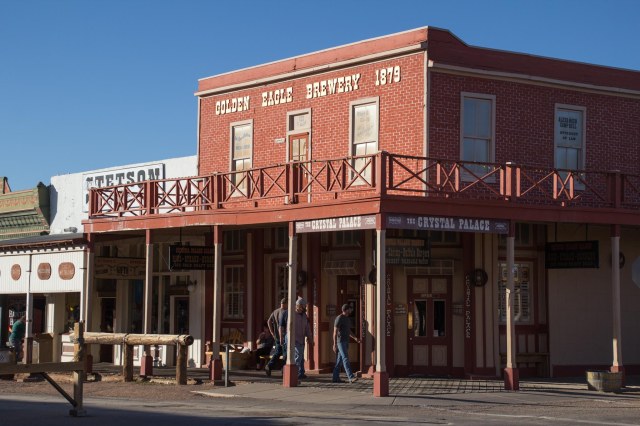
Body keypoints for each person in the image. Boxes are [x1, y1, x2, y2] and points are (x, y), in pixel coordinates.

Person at [279, 297, 312, 380]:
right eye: (303, 306)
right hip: (292, 339)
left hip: (301, 339)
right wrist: (281, 338)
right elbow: (281, 326)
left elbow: (307, 327)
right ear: (298, 306)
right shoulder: (289, 314)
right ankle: (294, 376)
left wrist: (310, 337)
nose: (305, 308)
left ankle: (300, 373)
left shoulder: (304, 316)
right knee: (297, 357)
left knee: (300, 356)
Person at [332, 304, 360, 383]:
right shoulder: (339, 318)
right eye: (350, 309)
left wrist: (355, 338)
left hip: (346, 341)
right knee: (345, 358)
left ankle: (335, 378)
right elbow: (335, 332)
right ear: (346, 310)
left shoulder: (347, 319)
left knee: (339, 361)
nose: (351, 310)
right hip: (340, 342)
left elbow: (349, 331)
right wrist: (334, 344)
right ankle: (351, 377)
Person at [265, 298, 287, 376]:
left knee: (278, 352)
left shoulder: (275, 311)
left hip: (277, 336)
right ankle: (284, 370)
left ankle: (269, 365)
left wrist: (272, 332)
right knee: (285, 353)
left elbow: (268, 321)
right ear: (286, 303)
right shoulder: (285, 312)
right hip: (284, 336)